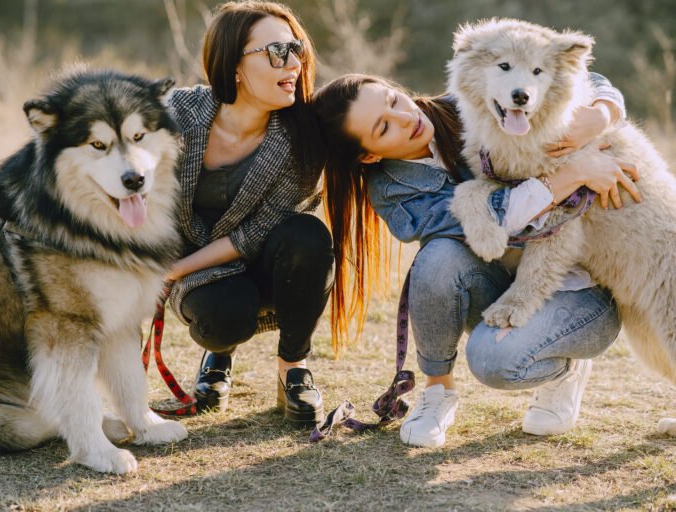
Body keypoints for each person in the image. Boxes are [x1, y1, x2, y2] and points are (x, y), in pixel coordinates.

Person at [312, 72, 640, 446]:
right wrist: (574, 173)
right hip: (508, 284)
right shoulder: (392, 191)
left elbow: (580, 75)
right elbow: (492, 221)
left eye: (392, 100)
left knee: (496, 360)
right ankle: (437, 394)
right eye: (384, 127)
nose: (406, 117)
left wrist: (601, 114)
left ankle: (564, 360)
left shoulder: (473, 101)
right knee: (439, 259)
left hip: (582, 284)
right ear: (369, 154)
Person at [163, 1, 332, 426]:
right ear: (233, 65)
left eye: (297, 50)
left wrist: (169, 273)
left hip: (262, 261)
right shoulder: (175, 114)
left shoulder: (300, 139)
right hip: (203, 278)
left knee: (308, 235)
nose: (293, 63)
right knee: (224, 319)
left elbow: (255, 234)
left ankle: (294, 368)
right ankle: (217, 356)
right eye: (277, 52)